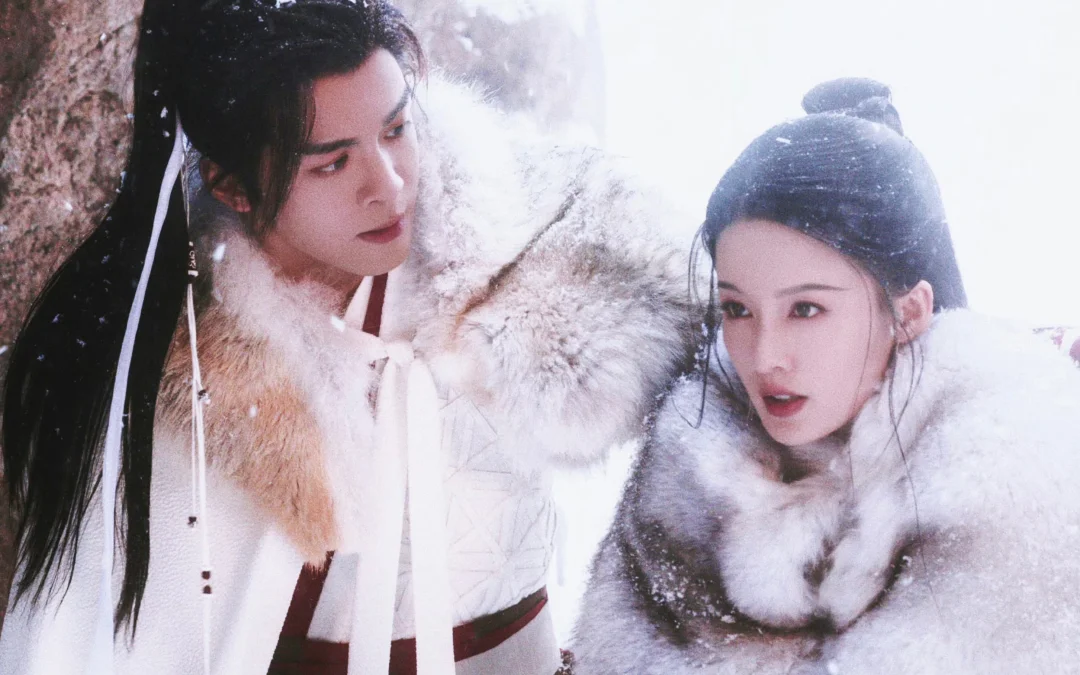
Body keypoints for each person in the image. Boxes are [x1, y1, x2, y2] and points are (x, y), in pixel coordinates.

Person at [0, 1, 696, 673]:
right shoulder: (188, 388)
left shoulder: (540, 244)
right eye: (332, 162)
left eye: (397, 128)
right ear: (233, 186)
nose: (389, 186)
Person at [570, 78, 1080, 674]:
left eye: (806, 309)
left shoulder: (1012, 493)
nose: (765, 357)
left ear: (908, 312)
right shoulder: (694, 468)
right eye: (737, 309)